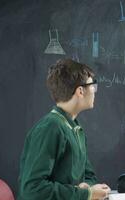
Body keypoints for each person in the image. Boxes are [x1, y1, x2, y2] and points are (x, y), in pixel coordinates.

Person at [18, 59, 111, 200]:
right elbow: (32, 190)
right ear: (80, 91)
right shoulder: (50, 128)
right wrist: (86, 194)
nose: (94, 92)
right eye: (93, 86)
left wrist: (88, 187)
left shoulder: (75, 128)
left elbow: (89, 176)